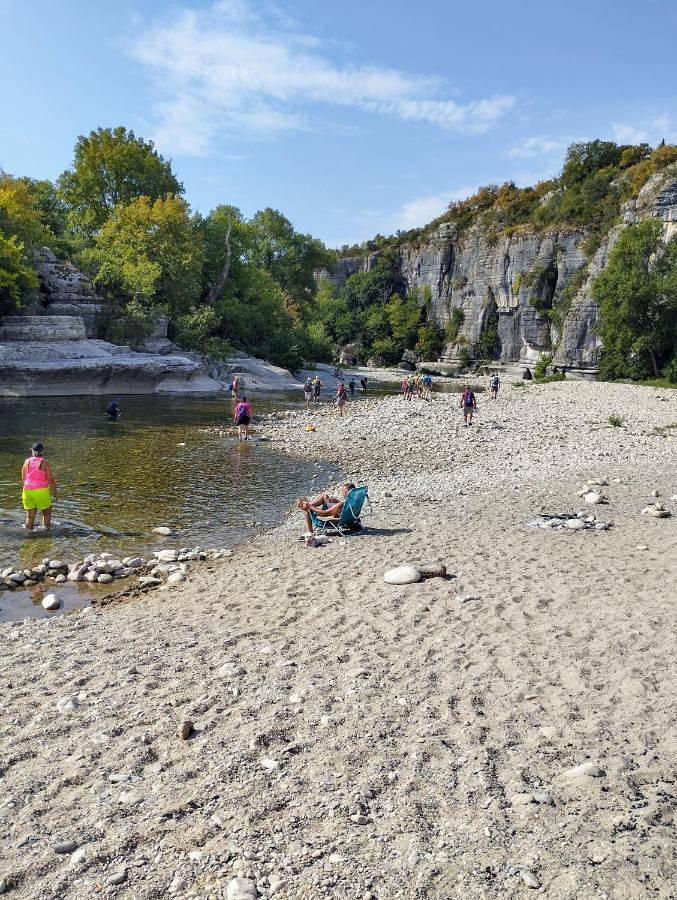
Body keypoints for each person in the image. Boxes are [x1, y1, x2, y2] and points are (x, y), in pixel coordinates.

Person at [21, 442, 58, 530]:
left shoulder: (27, 461)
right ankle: (45, 534)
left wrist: (28, 488)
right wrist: (54, 493)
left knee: (30, 516)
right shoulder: (44, 462)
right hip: (41, 491)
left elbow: (23, 477)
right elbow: (51, 480)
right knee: (47, 512)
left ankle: (28, 534)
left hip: (27, 491)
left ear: (33, 451)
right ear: (42, 452)